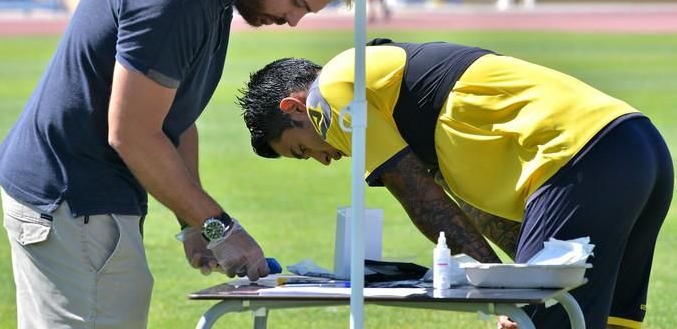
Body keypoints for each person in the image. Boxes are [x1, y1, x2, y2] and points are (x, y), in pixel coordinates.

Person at [0, 0, 353, 329]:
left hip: (78, 196)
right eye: (297, 2)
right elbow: (133, 133)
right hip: (74, 197)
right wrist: (221, 228)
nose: (293, 21)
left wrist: (192, 221)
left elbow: (175, 119)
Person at [237, 38, 673, 329]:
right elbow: (475, 214)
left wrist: (505, 293)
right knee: (608, 321)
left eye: (302, 149)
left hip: (578, 159)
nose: (323, 160)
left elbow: (419, 197)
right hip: (637, 148)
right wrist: (517, 281)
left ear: (294, 106)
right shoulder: (403, 103)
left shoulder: (331, 92)